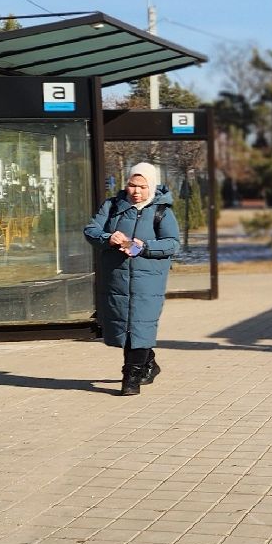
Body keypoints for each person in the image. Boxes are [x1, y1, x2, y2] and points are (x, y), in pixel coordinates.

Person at [85, 162, 180, 396]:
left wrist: (144, 246)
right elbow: (90, 230)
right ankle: (149, 363)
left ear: (152, 187)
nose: (136, 191)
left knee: (140, 325)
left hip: (148, 281)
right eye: (132, 185)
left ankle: (131, 376)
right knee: (125, 326)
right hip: (116, 280)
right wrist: (108, 237)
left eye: (142, 187)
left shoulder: (162, 211)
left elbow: (172, 243)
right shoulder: (112, 206)